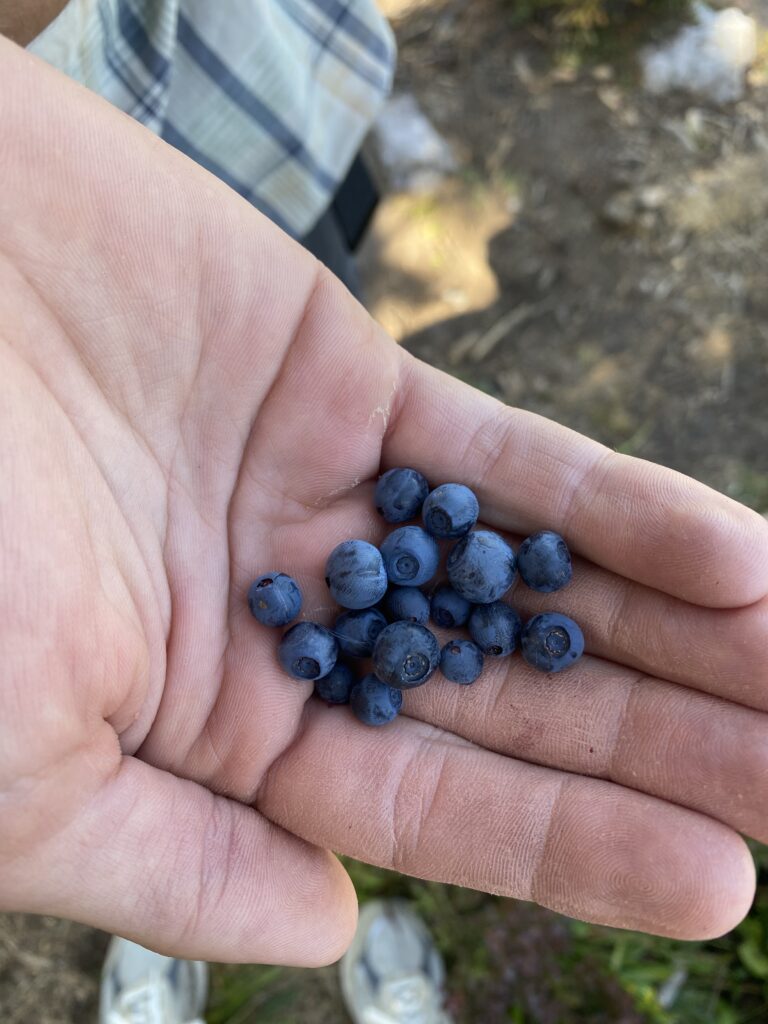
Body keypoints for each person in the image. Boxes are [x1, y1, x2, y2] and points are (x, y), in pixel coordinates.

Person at [2, 5, 768, 1024]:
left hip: (224, 97)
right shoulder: (381, 601)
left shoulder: (414, 586)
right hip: (132, 192)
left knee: (314, 229)